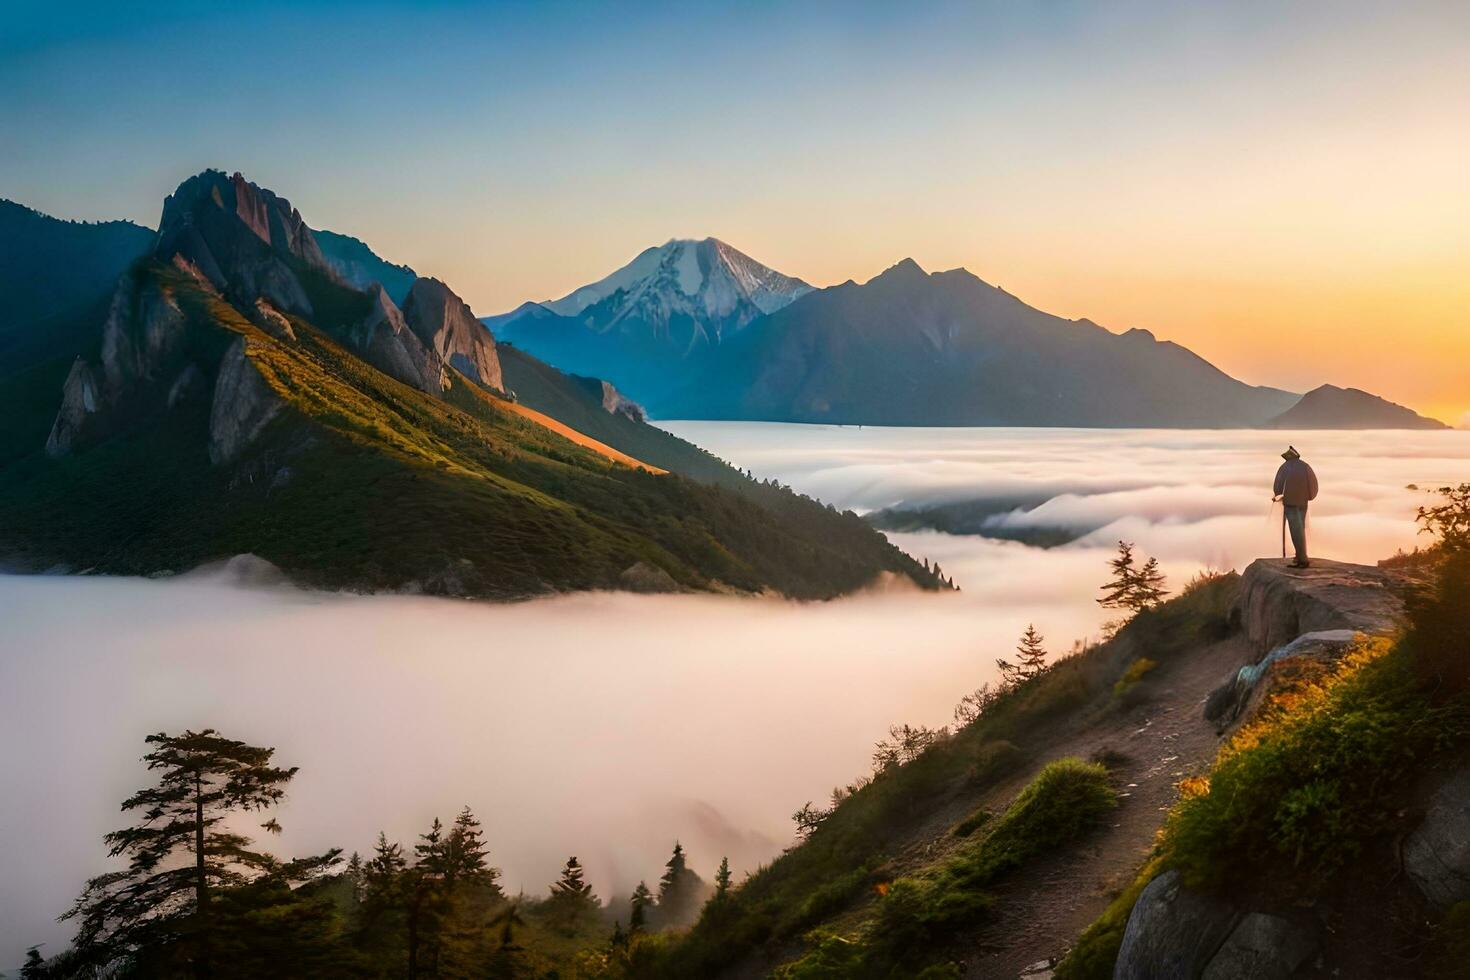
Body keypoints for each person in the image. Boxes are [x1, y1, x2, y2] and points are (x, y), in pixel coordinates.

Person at [1272, 446, 1319, 568]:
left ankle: (1302, 559)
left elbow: (1278, 483)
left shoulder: (1285, 467)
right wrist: (1309, 497)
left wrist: (1277, 495)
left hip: (1290, 503)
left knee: (1295, 531)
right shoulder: (1305, 466)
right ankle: (1300, 555)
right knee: (1301, 529)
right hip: (1303, 503)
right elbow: (1313, 484)